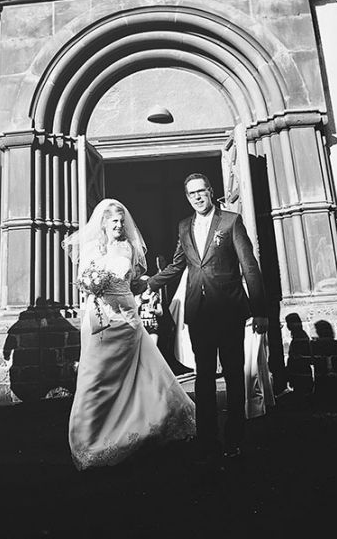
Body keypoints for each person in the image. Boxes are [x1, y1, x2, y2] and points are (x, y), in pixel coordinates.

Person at [63, 199, 196, 470]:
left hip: (128, 320)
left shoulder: (128, 247)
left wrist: (145, 286)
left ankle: (142, 426)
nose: (119, 226)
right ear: (103, 223)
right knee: (97, 377)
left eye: (122, 222)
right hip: (101, 320)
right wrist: (94, 287)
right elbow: (84, 283)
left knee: (140, 374)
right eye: (114, 221)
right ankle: (90, 437)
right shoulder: (91, 248)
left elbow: (134, 282)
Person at [147, 173, 269, 464]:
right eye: (192, 194)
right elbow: (178, 265)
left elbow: (249, 266)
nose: (198, 197)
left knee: (234, 375)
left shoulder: (230, 222)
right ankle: (207, 440)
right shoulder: (184, 226)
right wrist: (149, 283)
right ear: (187, 197)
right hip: (199, 312)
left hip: (229, 310)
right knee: (203, 378)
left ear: (211, 191)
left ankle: (234, 438)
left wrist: (260, 310)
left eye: (201, 191)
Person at [285, 312, 313, 398]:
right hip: (300, 372)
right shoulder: (299, 335)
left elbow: (298, 357)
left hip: (300, 372)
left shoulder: (300, 336)